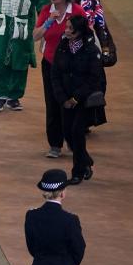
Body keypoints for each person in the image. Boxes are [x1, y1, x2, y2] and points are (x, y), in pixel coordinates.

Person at [34, 0, 86, 159]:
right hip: (50, 64)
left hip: (72, 66)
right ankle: (55, 144)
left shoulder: (77, 11)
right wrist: (48, 22)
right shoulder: (47, 11)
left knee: (71, 103)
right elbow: (35, 36)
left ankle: (73, 142)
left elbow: (85, 35)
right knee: (52, 104)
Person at [51, 14, 103, 185]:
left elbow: (94, 78)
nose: (66, 31)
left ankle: (77, 172)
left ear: (79, 32)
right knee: (67, 132)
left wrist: (76, 98)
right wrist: (62, 98)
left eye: (70, 29)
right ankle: (86, 161)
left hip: (82, 100)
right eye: (66, 28)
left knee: (77, 132)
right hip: (65, 99)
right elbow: (55, 73)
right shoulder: (63, 46)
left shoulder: (91, 50)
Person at [69, 0, 113, 128]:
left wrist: (106, 50)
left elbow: (101, 27)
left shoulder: (93, 2)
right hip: (68, 47)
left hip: (89, 47)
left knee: (94, 82)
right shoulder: (62, 2)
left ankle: (86, 119)